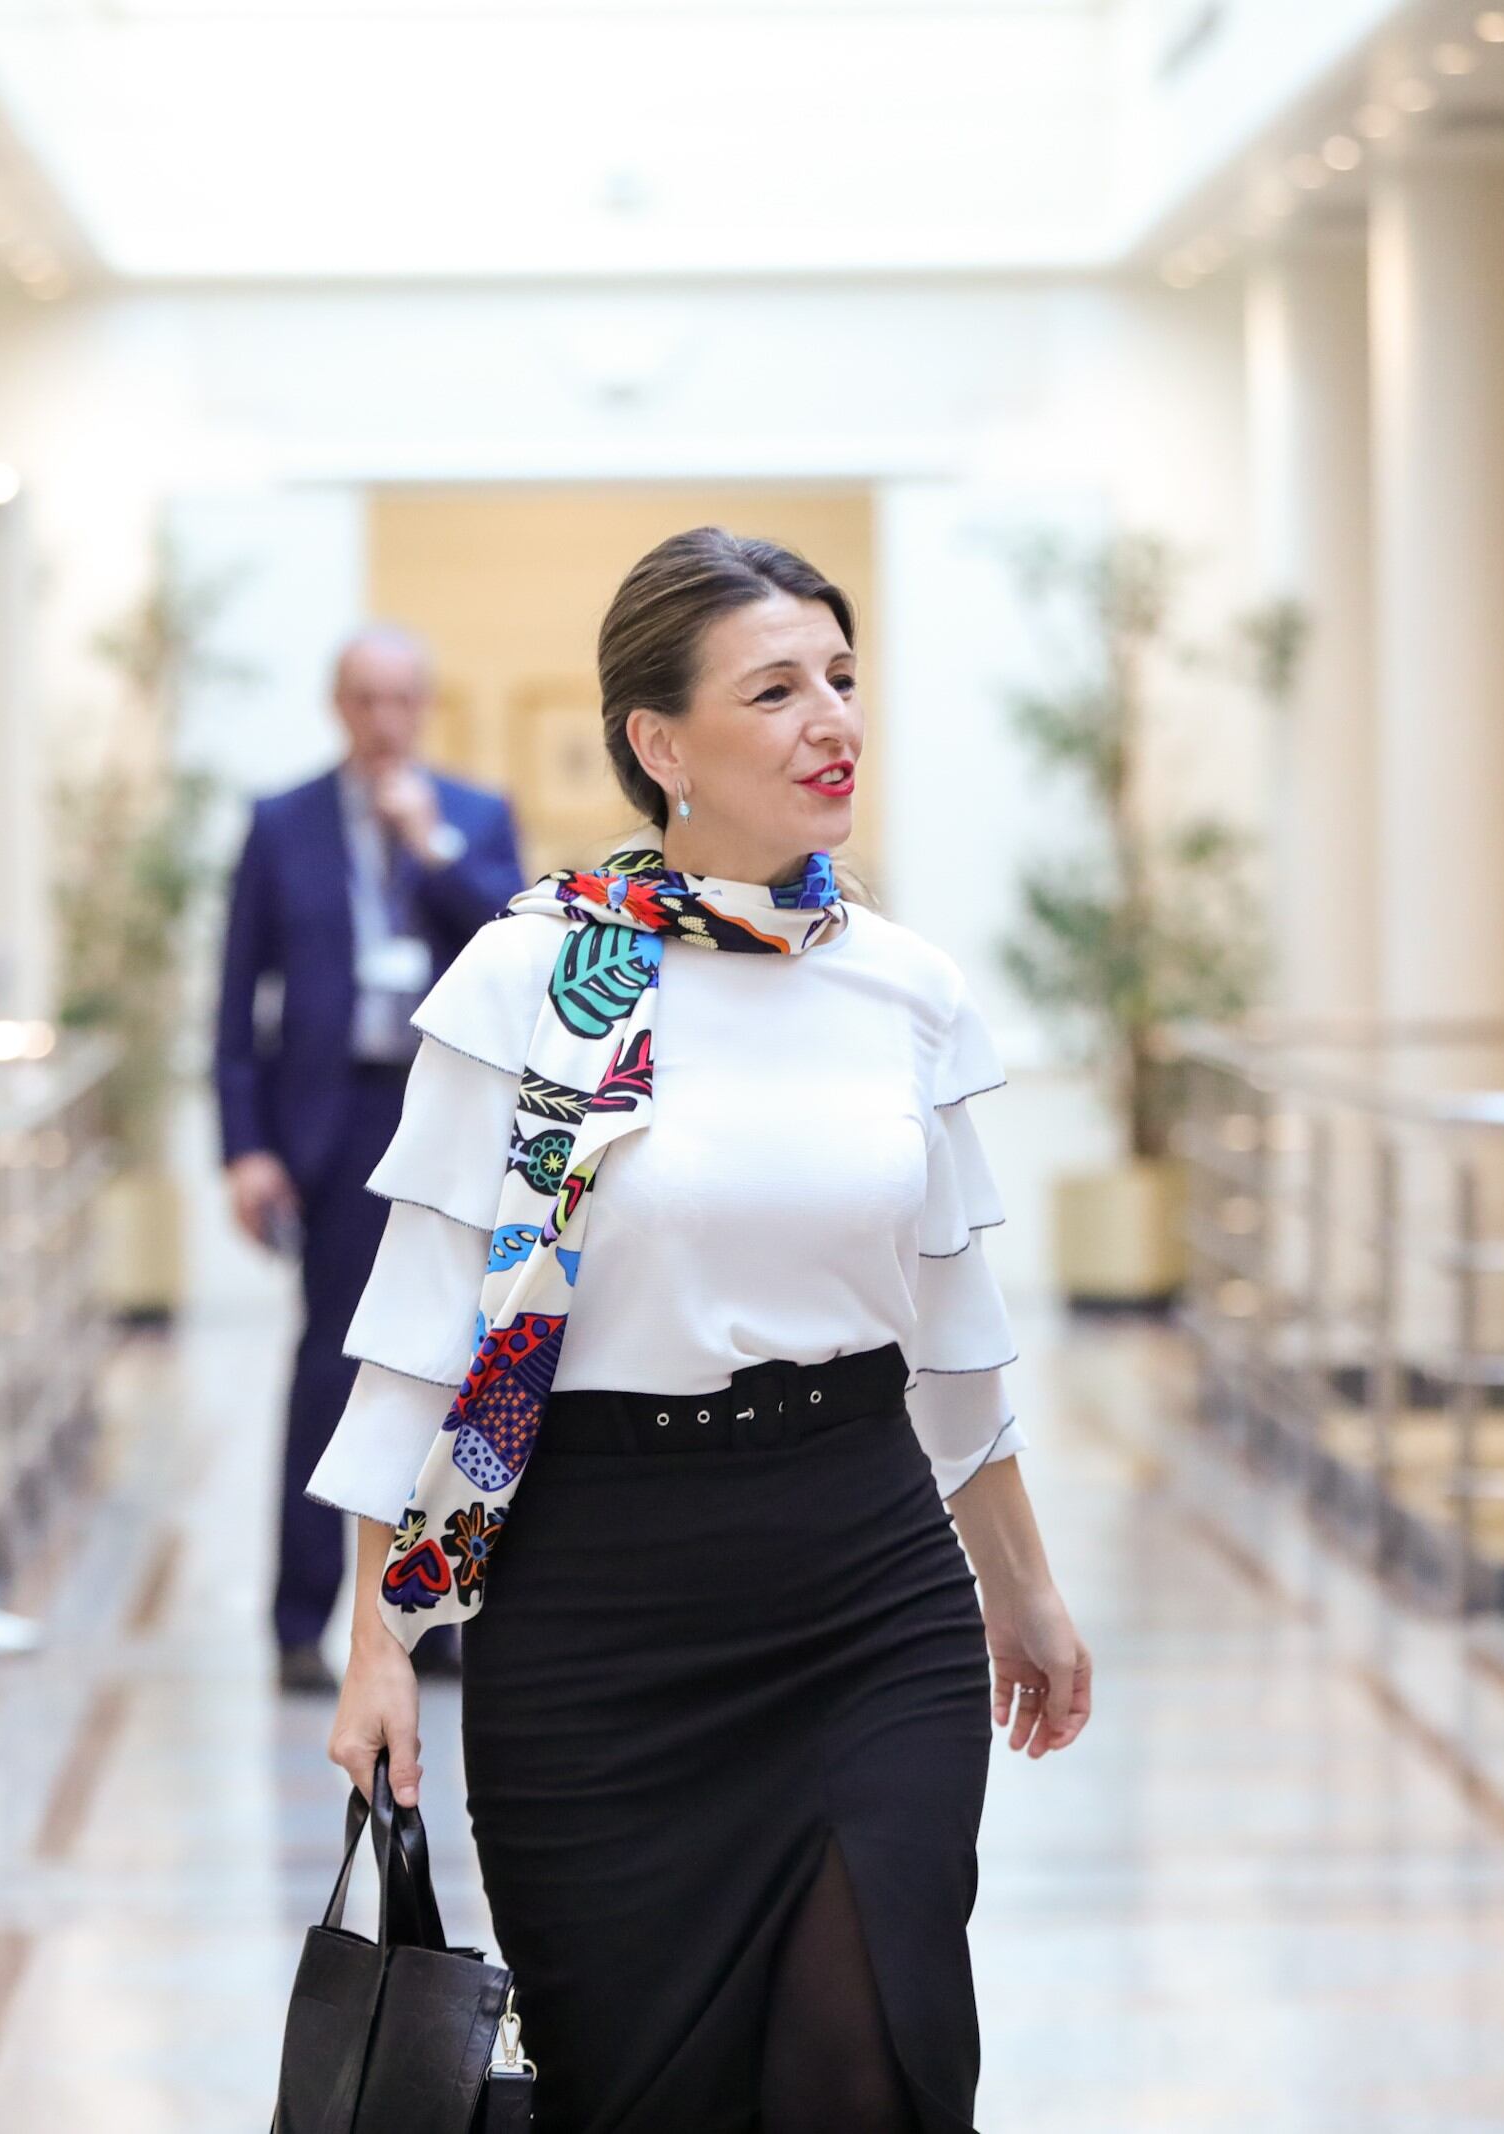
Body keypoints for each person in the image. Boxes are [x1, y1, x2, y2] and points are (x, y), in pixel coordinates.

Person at [315, 529, 1094, 2133]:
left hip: (862, 1581)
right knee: (637, 2091)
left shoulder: (906, 987)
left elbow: (954, 1334)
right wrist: (377, 1639)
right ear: (658, 743)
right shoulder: (530, 975)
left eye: (843, 678)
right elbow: (418, 1342)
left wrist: (1021, 1585)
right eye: (778, 688)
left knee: (865, 2058)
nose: (834, 720)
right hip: (596, 1608)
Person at [213, 626, 523, 1693]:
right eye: (365, 699)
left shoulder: (474, 814)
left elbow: (511, 945)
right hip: (333, 1118)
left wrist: (429, 848)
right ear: (337, 705)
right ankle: (300, 1621)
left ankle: (433, 1614)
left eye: (401, 699)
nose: (384, 720)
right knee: (330, 1368)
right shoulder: (280, 822)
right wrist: (244, 1147)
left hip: (450, 1112)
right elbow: (236, 999)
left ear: (424, 705)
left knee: (454, 1365)